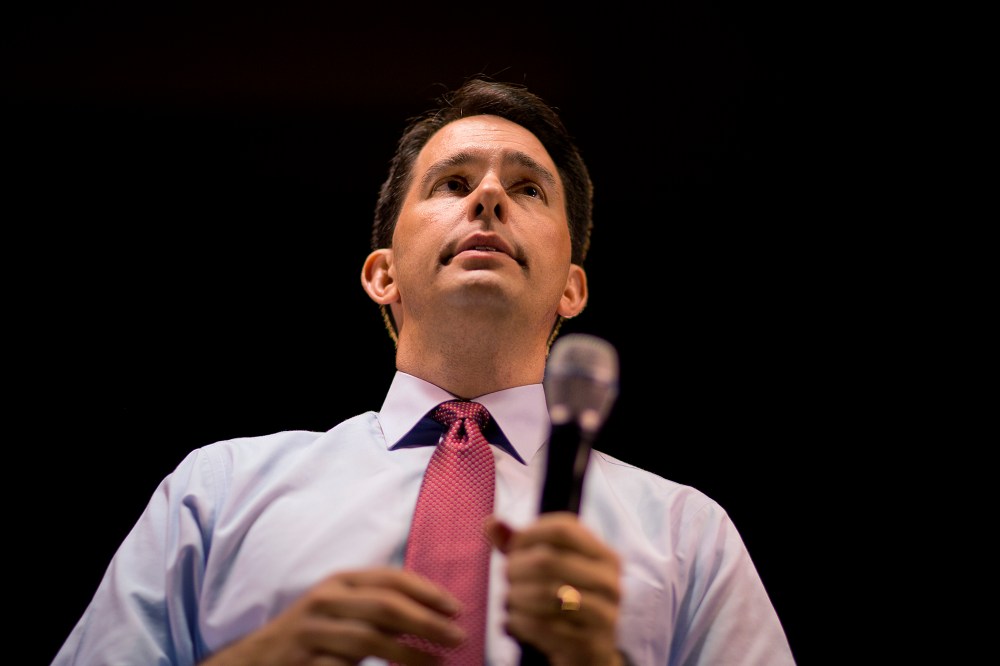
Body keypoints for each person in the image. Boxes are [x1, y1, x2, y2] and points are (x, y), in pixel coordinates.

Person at [52, 76, 796, 665]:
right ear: (383, 274)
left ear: (572, 287)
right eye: (452, 183)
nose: (489, 196)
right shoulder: (214, 496)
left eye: (528, 189)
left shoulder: (688, 536)